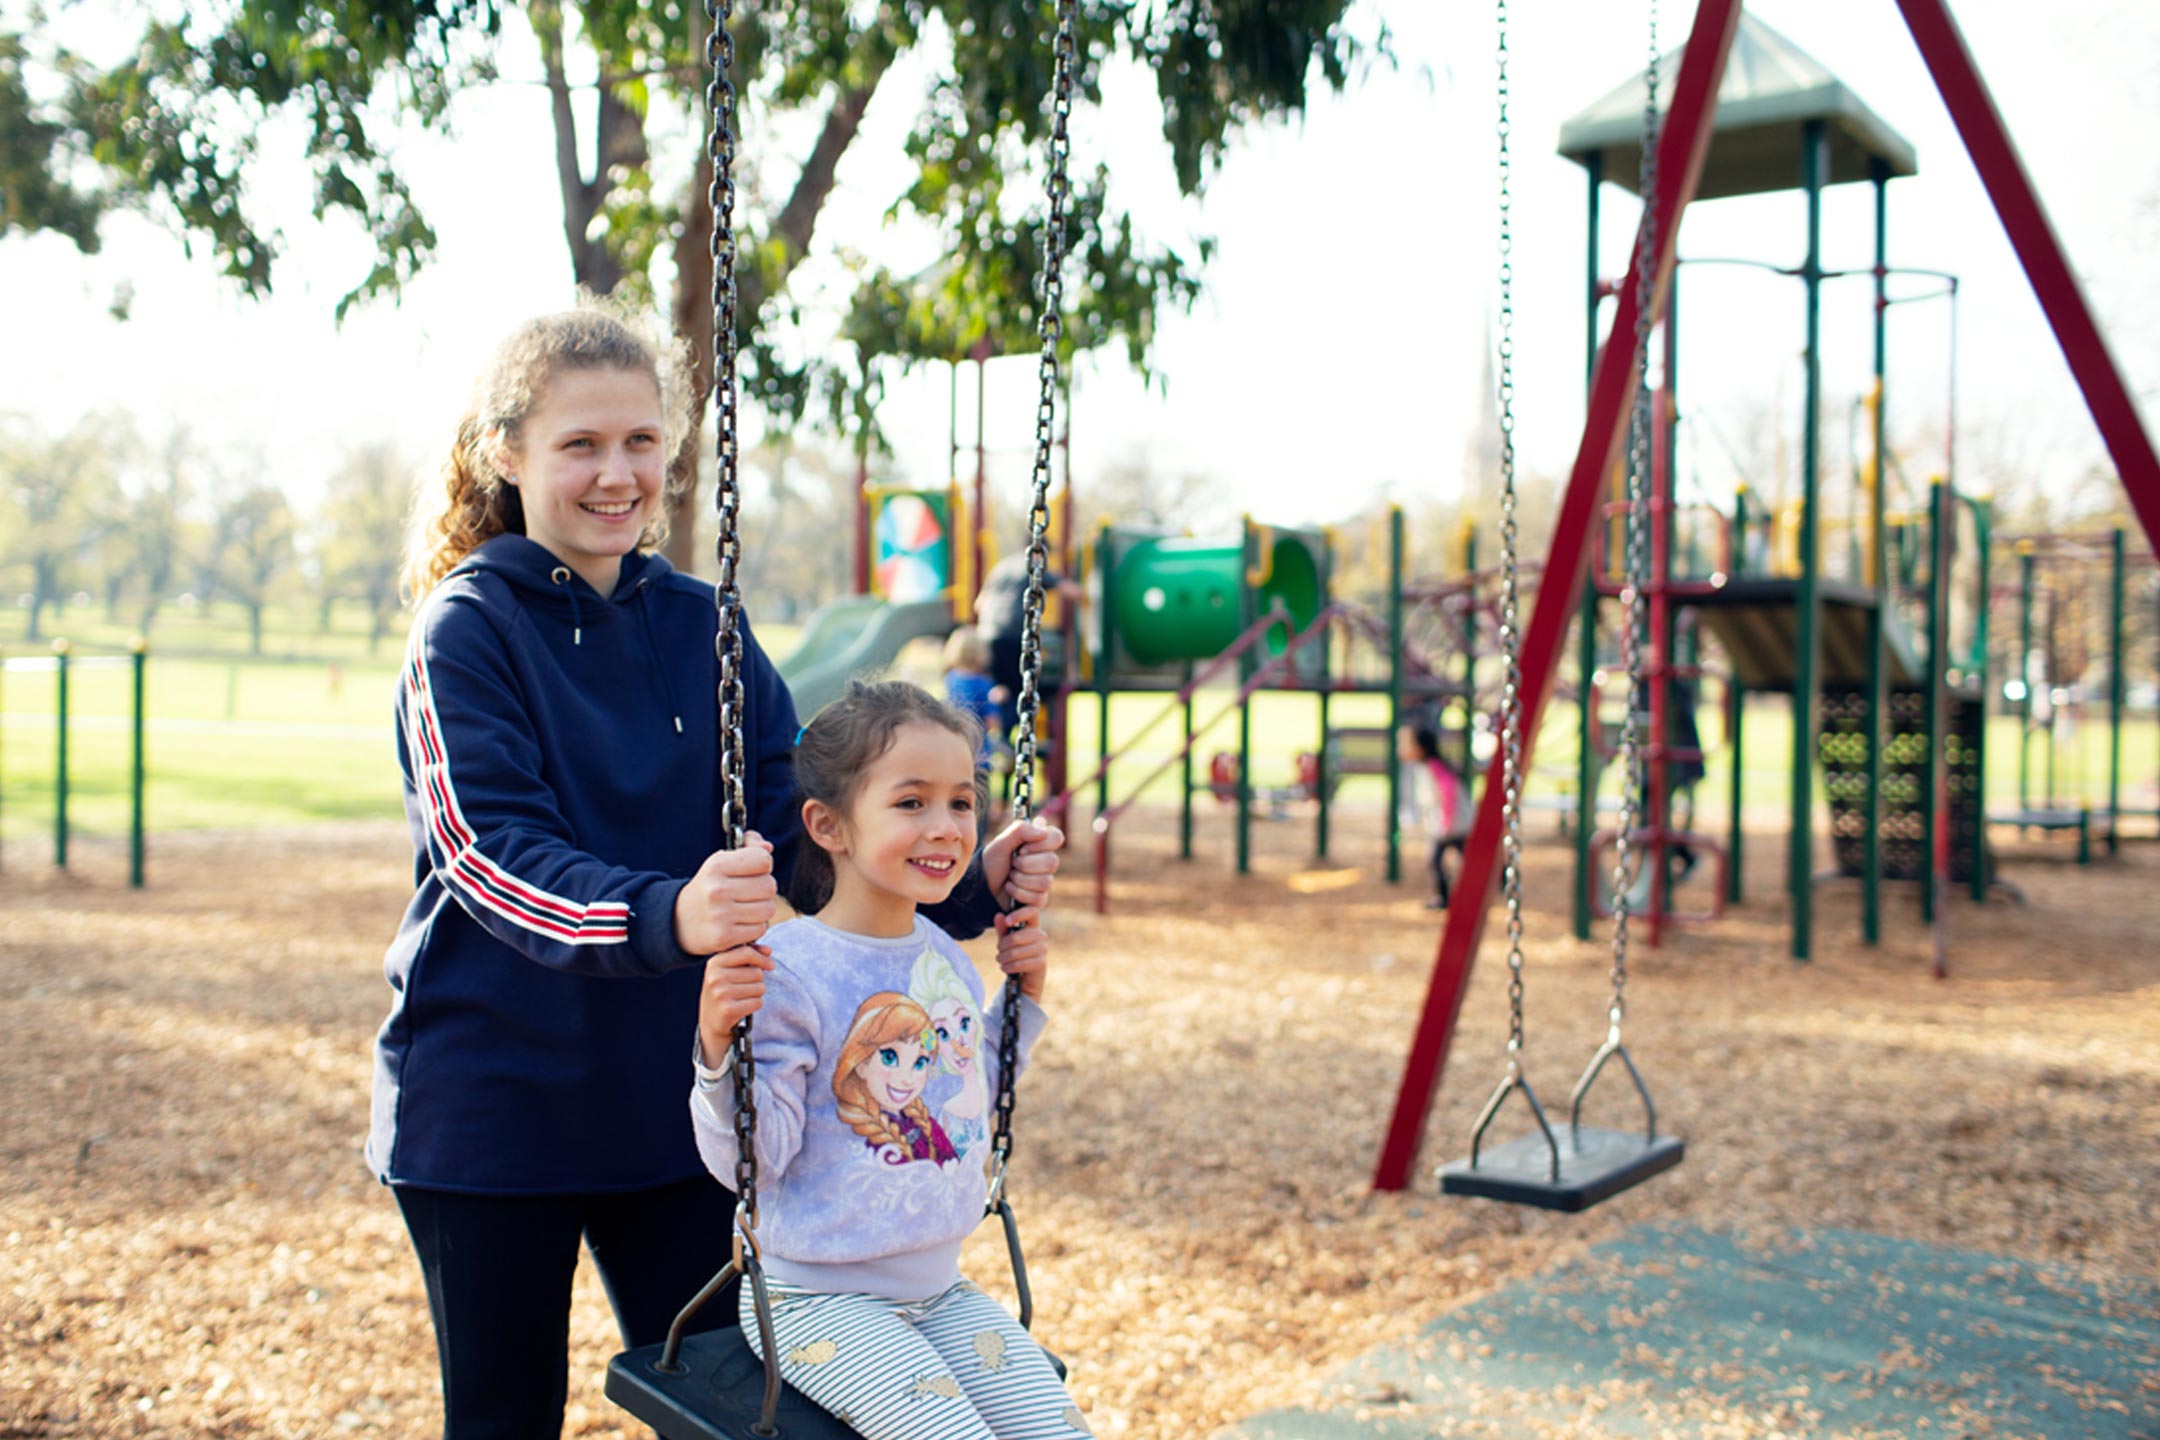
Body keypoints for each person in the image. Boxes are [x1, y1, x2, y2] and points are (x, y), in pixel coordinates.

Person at [372, 305, 1063, 1439]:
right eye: (581, 445)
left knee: (746, 1417)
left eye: (642, 442)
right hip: (496, 1110)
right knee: (503, 1421)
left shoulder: (707, 625)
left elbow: (805, 836)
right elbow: (487, 856)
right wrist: (668, 912)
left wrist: (964, 879)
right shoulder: (467, 631)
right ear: (507, 453)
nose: (618, 473)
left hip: (676, 1102)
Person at [691, 680, 1089, 1439]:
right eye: (911, 804)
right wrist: (717, 1047)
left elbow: (963, 1095)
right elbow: (755, 1159)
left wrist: (1022, 1001)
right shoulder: (787, 971)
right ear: (829, 826)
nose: (945, 828)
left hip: (939, 1289)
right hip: (817, 1300)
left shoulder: (944, 957)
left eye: (962, 803)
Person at [1398, 721, 1469, 910]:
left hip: (1453, 824)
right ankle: (1446, 896)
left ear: (1420, 748)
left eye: (1406, 744)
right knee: (1456, 858)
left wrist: (1445, 821)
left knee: (1436, 861)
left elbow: (1448, 791)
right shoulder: (1424, 767)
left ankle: (1445, 898)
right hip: (1450, 824)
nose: (1401, 749)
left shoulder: (1434, 766)